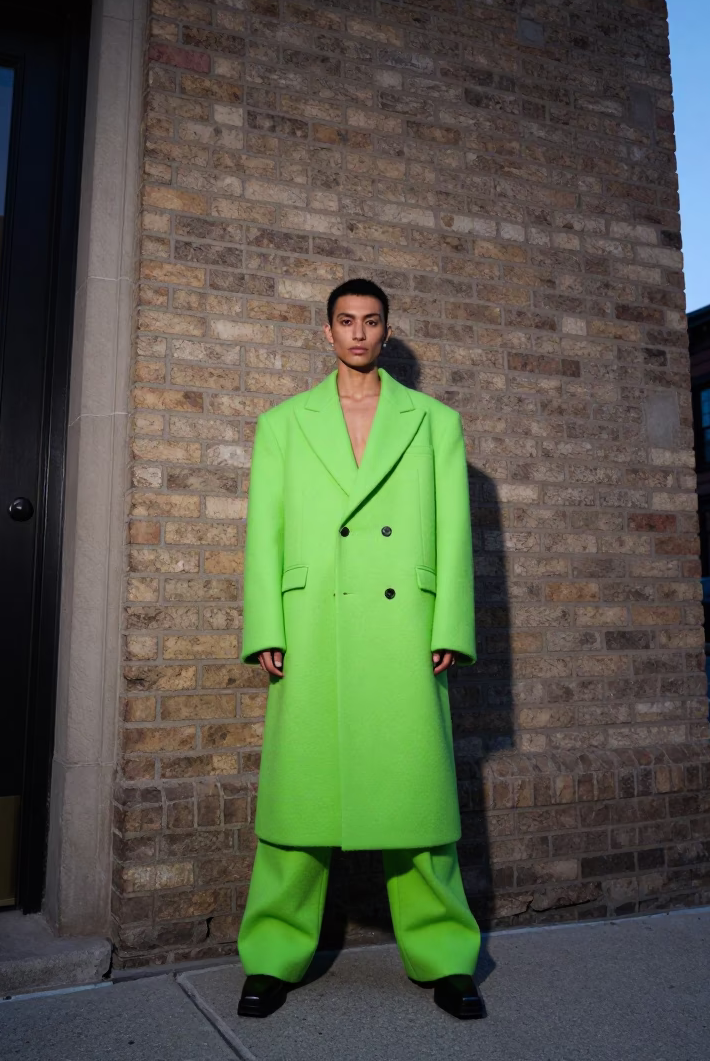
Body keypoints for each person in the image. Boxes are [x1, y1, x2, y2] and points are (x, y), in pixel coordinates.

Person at [236, 278, 484, 1019]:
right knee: (297, 809)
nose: (358, 334)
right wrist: (265, 629)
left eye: (371, 322)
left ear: (385, 331)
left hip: (402, 626)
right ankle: (273, 957)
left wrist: (450, 629)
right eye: (345, 321)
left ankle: (445, 957)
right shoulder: (283, 424)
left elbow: (454, 530)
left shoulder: (434, 422)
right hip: (312, 624)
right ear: (327, 331)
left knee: (417, 806)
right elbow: (265, 532)